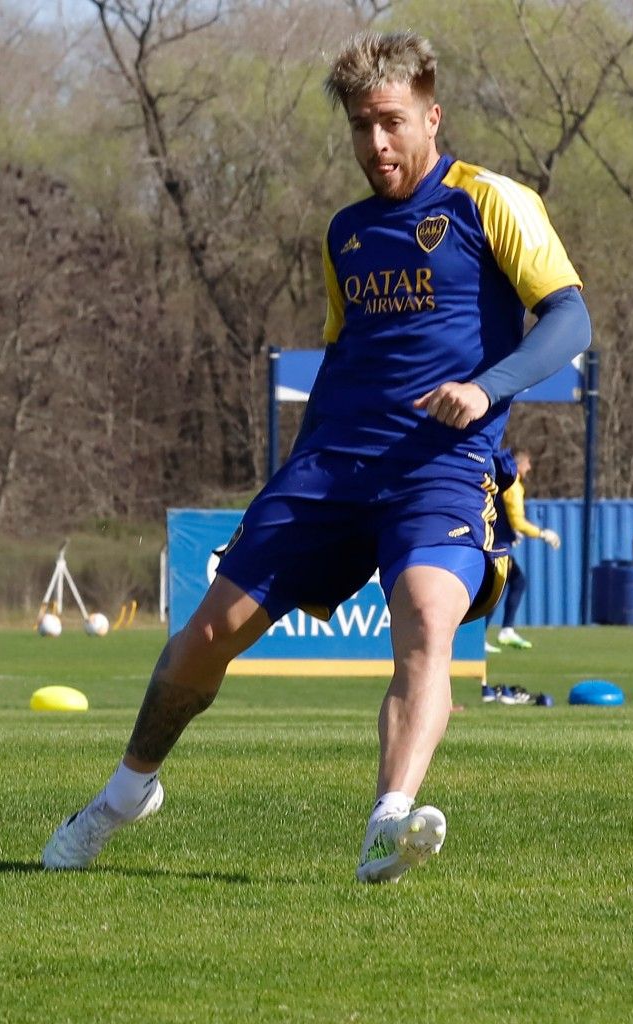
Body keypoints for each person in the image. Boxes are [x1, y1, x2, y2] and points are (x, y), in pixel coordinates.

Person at [42, 31, 592, 883]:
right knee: (207, 636)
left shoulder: (494, 202)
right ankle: (123, 796)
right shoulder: (346, 234)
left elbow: (568, 319)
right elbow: (342, 358)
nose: (376, 144)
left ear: (431, 117)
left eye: (392, 123)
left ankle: (388, 820)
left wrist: (487, 388)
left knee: (423, 615)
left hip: (441, 466)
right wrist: (295, 479)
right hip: (331, 469)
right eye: (361, 127)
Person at [486, 448, 560, 652]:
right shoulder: (513, 484)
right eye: (527, 463)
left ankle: (505, 629)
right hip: (498, 546)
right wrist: (543, 533)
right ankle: (490, 633)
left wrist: (512, 533)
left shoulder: (499, 481)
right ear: (519, 465)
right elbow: (517, 520)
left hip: (496, 541)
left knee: (516, 582)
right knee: (499, 589)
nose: (529, 468)